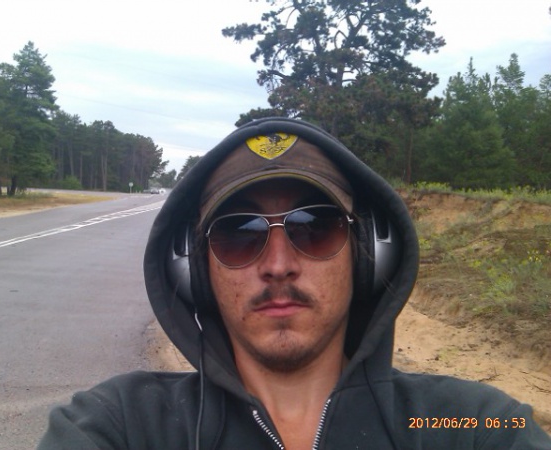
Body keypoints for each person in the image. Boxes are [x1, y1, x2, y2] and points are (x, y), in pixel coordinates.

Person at [38, 118, 551, 449]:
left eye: (315, 226)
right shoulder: (121, 425)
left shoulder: (472, 425)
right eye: (239, 234)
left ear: (370, 253)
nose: (278, 264)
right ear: (194, 269)